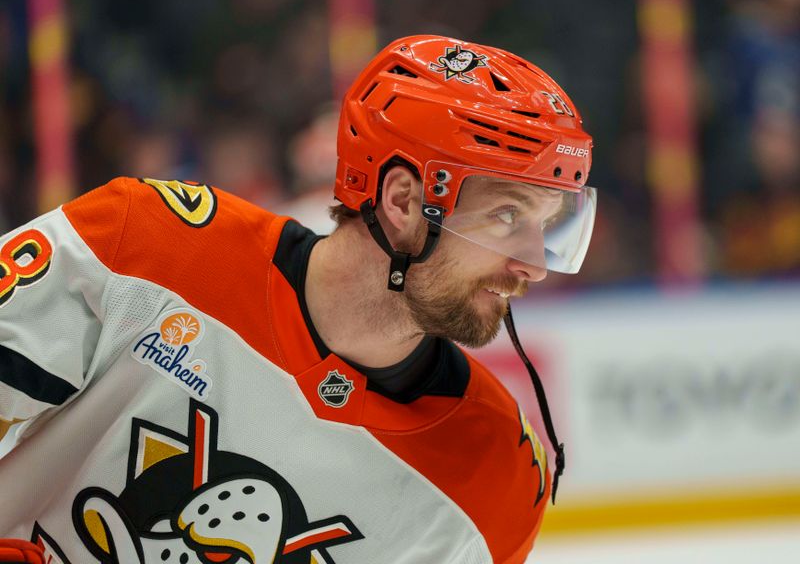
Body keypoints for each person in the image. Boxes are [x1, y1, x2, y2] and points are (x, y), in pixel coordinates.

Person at [0, 35, 595, 564]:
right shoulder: (145, 243)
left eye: (546, 225)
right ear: (404, 200)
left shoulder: (500, 474)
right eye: (508, 215)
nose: (535, 265)